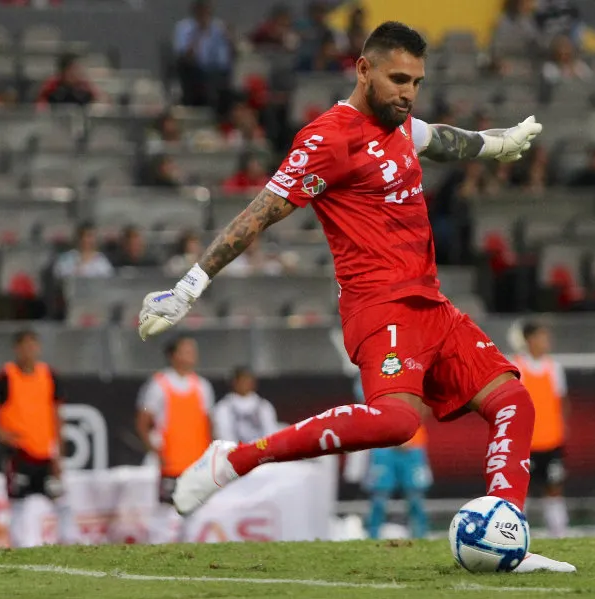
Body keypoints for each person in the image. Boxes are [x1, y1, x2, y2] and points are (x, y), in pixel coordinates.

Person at [137, 21, 572, 573]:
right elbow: (260, 213)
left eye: (416, 81)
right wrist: (189, 286)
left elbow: (440, 138)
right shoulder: (328, 139)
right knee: (395, 424)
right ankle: (236, 460)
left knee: (515, 400)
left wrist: (497, 144)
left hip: (432, 305)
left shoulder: (401, 125)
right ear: (363, 70)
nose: (408, 92)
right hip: (379, 307)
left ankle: (505, 535)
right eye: (397, 79)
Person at [135, 335, 214, 544]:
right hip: (171, 461)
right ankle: (157, 553)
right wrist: (154, 450)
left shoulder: (202, 386)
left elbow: (207, 423)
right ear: (173, 355)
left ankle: (189, 554)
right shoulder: (160, 385)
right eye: (186, 350)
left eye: (193, 350)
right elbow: (143, 421)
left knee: (195, 512)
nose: (192, 355)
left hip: (196, 462)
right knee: (164, 512)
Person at [0, 330, 64, 548]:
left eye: (33, 345)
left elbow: (56, 414)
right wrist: (2, 434)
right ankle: (19, 548)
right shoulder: (6, 377)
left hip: (44, 451)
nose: (29, 350)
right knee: (19, 503)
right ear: (16, 349)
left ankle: (59, 544)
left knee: (57, 501)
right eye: (24, 346)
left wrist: (58, 452)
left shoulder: (48, 375)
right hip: (18, 452)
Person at [353, 376, 431, 540]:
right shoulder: (374, 371)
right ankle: (372, 537)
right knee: (379, 495)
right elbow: (366, 404)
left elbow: (428, 404)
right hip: (384, 445)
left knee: (415, 496)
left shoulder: (416, 369)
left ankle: (421, 536)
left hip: (412, 444)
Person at [511, 322, 570, 538]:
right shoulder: (516, 367)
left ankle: (559, 534)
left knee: (554, 489)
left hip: (552, 442)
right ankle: (516, 536)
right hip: (526, 443)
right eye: (542, 337)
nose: (547, 342)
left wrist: (562, 428)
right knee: (521, 491)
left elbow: (562, 401)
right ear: (529, 339)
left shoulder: (555, 368)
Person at [213, 367, 279, 444]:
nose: (245, 383)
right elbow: (223, 435)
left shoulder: (264, 406)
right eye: (242, 380)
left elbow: (271, 433)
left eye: (248, 380)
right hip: (234, 453)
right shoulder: (223, 408)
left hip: (261, 453)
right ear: (234, 382)